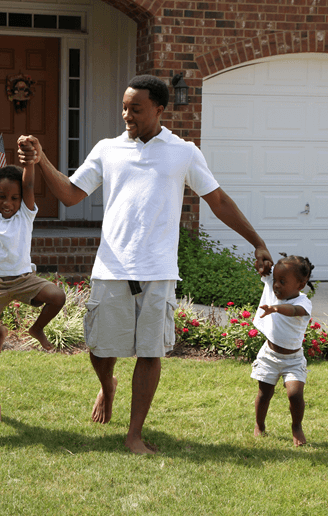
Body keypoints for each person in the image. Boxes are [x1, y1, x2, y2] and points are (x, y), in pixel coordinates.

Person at [17, 74, 274, 454]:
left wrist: (257, 241)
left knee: (150, 352)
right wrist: (42, 161)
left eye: (135, 108)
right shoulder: (108, 149)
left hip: (158, 271)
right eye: (124, 107)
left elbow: (217, 200)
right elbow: (71, 195)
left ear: (159, 109)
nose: (126, 115)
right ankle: (108, 386)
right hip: (112, 267)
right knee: (101, 349)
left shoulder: (183, 152)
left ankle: (134, 434)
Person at [0, 137, 66, 358]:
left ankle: (36, 328)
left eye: (14, 198)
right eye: (2, 197)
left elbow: (28, 184)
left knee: (57, 296)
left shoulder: (25, 213)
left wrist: (29, 162)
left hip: (23, 280)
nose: (8, 203)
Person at [250, 254, 315, 446]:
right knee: (264, 393)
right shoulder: (273, 287)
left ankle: (297, 427)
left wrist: (277, 309)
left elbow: (294, 311)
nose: (276, 285)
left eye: (282, 281)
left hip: (293, 359)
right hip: (269, 355)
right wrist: (263, 265)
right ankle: (259, 425)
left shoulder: (303, 303)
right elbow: (262, 267)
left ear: (300, 285)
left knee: (295, 395)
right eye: (275, 280)